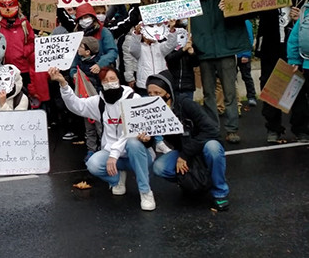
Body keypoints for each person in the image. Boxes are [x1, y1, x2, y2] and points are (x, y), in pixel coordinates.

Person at [49, 66, 156, 211]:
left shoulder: (134, 99)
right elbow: (76, 105)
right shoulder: (99, 101)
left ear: (119, 80)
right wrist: (63, 83)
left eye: (113, 79)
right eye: (105, 80)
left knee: (133, 143)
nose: (110, 82)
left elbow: (130, 131)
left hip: (136, 155)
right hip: (113, 153)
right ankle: (117, 179)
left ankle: (145, 192)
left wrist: (114, 155)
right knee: (93, 163)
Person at [147, 70, 230, 211]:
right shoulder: (152, 112)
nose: (153, 97)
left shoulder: (186, 104)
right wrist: (146, 140)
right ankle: (189, 182)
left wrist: (184, 155)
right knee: (159, 167)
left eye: (157, 93)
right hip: (183, 150)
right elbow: (150, 141)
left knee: (214, 149)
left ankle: (219, 192)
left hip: (202, 145)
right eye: (149, 93)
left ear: (168, 93)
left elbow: (211, 131)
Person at [191, 0, 253, 144]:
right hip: (205, 54)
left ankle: (232, 129)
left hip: (226, 51)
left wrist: (230, 8)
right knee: (209, 94)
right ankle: (213, 128)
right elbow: (175, 10)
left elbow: (246, 13)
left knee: (230, 92)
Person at [257, 5, 301, 142]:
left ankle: (301, 128)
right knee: (270, 87)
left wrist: (297, 19)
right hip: (269, 51)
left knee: (297, 89)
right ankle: (273, 128)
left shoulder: (296, 1)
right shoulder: (264, 3)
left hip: (292, 51)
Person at [0, 0, 35, 87]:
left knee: (23, 95)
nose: (8, 8)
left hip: (22, 68)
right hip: (4, 69)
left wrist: (24, 52)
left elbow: (32, 41)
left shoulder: (24, 24)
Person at [284, 6, 309, 142]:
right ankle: (302, 130)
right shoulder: (306, 11)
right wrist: (294, 59)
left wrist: (294, 59)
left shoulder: (305, 11)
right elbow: (295, 37)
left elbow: (294, 37)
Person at [165, 25, 199, 101]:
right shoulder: (169, 49)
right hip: (174, 86)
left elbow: (196, 63)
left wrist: (192, 53)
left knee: (188, 108)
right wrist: (183, 50)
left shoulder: (191, 47)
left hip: (188, 85)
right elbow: (171, 59)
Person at [236, 20, 257, 107]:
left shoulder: (246, 22)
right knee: (231, 78)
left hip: (243, 53)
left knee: (246, 76)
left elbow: (250, 37)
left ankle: (251, 96)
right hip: (232, 54)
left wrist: (246, 54)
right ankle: (236, 100)